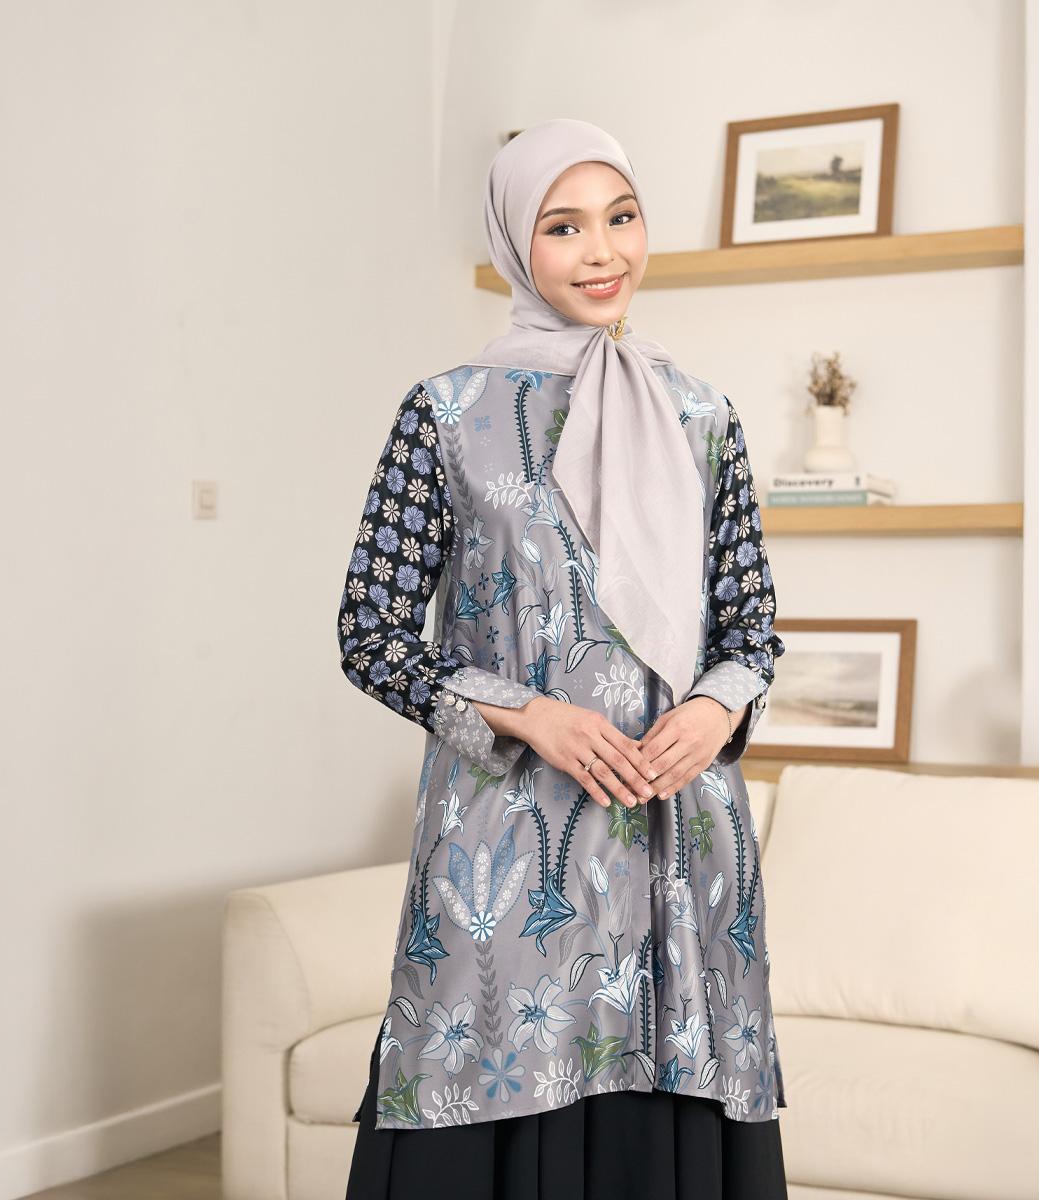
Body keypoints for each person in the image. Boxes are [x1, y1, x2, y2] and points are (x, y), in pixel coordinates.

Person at [339, 118, 789, 1200]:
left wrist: (715, 710)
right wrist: (529, 713)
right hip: (509, 841)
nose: (602, 252)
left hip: (678, 837)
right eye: (564, 226)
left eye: (621, 218)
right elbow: (371, 631)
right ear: (513, 243)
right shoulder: (447, 414)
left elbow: (751, 628)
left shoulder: (702, 415)